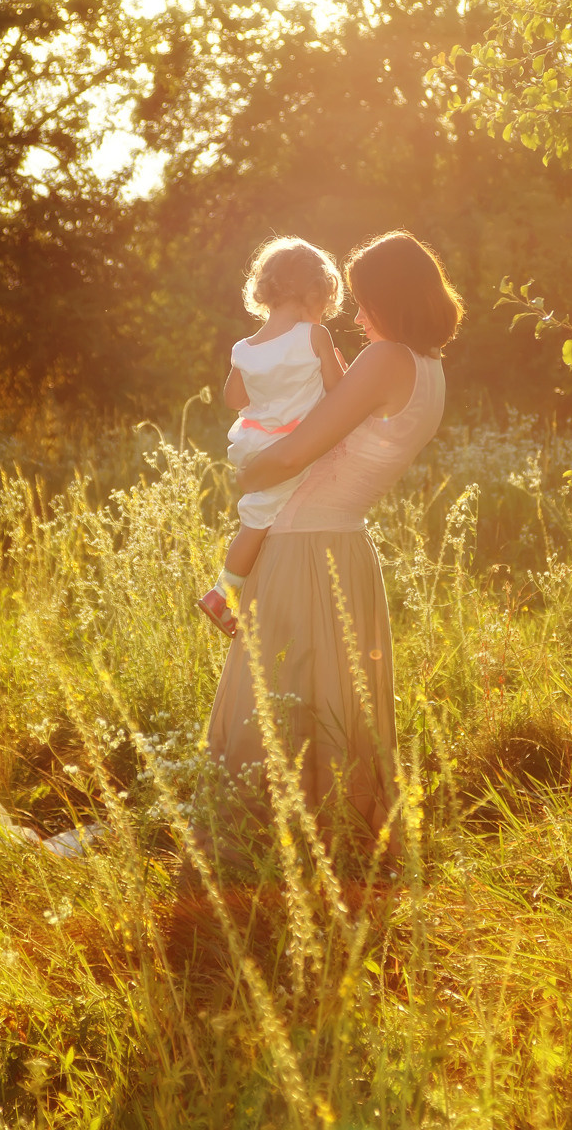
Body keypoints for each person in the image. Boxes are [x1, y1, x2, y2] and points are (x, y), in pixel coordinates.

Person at [203, 230, 464, 860]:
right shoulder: (429, 372)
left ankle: (268, 855)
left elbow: (294, 450)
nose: (353, 313)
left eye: (363, 298)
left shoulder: (385, 360)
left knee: (280, 701)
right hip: (344, 546)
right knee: (326, 705)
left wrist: (246, 474)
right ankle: (336, 842)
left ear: (388, 297)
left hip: (302, 545)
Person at [197, 237, 346, 636]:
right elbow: (340, 393)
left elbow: (233, 398)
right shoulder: (315, 337)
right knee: (258, 522)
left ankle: (241, 590)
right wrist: (337, 366)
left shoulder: (244, 347)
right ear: (315, 292)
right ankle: (224, 593)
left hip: (251, 443)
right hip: (286, 449)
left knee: (263, 515)